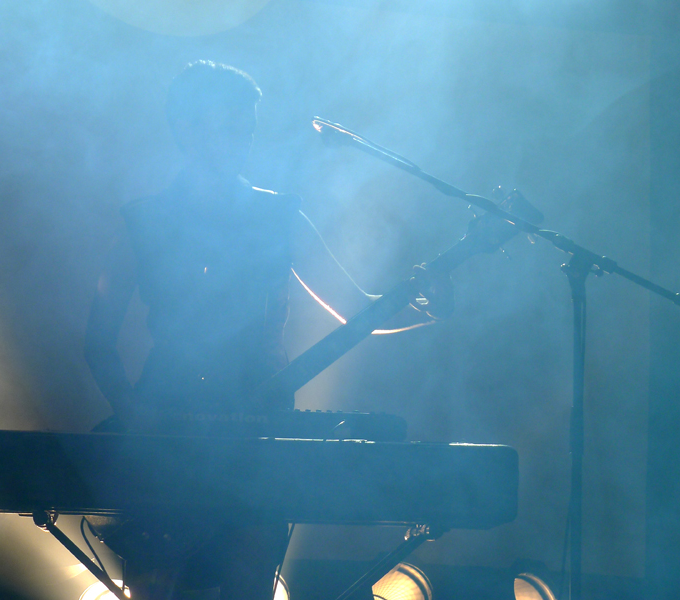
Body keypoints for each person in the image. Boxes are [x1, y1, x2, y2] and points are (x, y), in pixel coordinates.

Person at [84, 60, 448, 600]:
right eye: (227, 125)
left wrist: (428, 302)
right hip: (165, 429)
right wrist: (133, 413)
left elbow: (358, 311)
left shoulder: (279, 216)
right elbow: (97, 341)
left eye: (246, 127)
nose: (241, 139)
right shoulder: (143, 220)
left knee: (246, 582)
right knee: (157, 584)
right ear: (185, 129)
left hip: (258, 428)